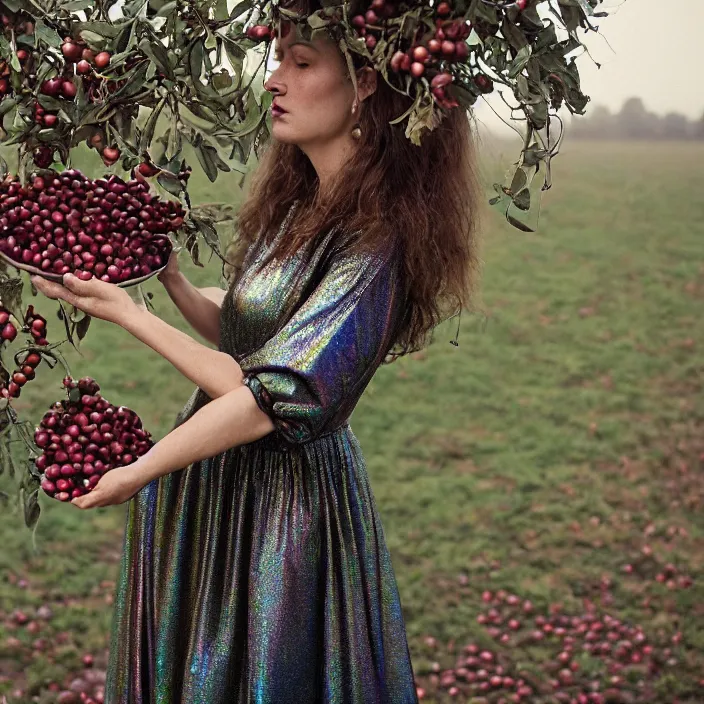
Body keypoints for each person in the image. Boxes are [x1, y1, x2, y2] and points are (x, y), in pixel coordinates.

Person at [30, 6, 481, 702]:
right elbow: (244, 340)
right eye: (278, 61)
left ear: (365, 84)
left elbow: (267, 398)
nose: (274, 81)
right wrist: (167, 279)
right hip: (213, 479)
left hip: (282, 511)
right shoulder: (305, 204)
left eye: (301, 64)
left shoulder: (377, 244)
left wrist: (139, 460)